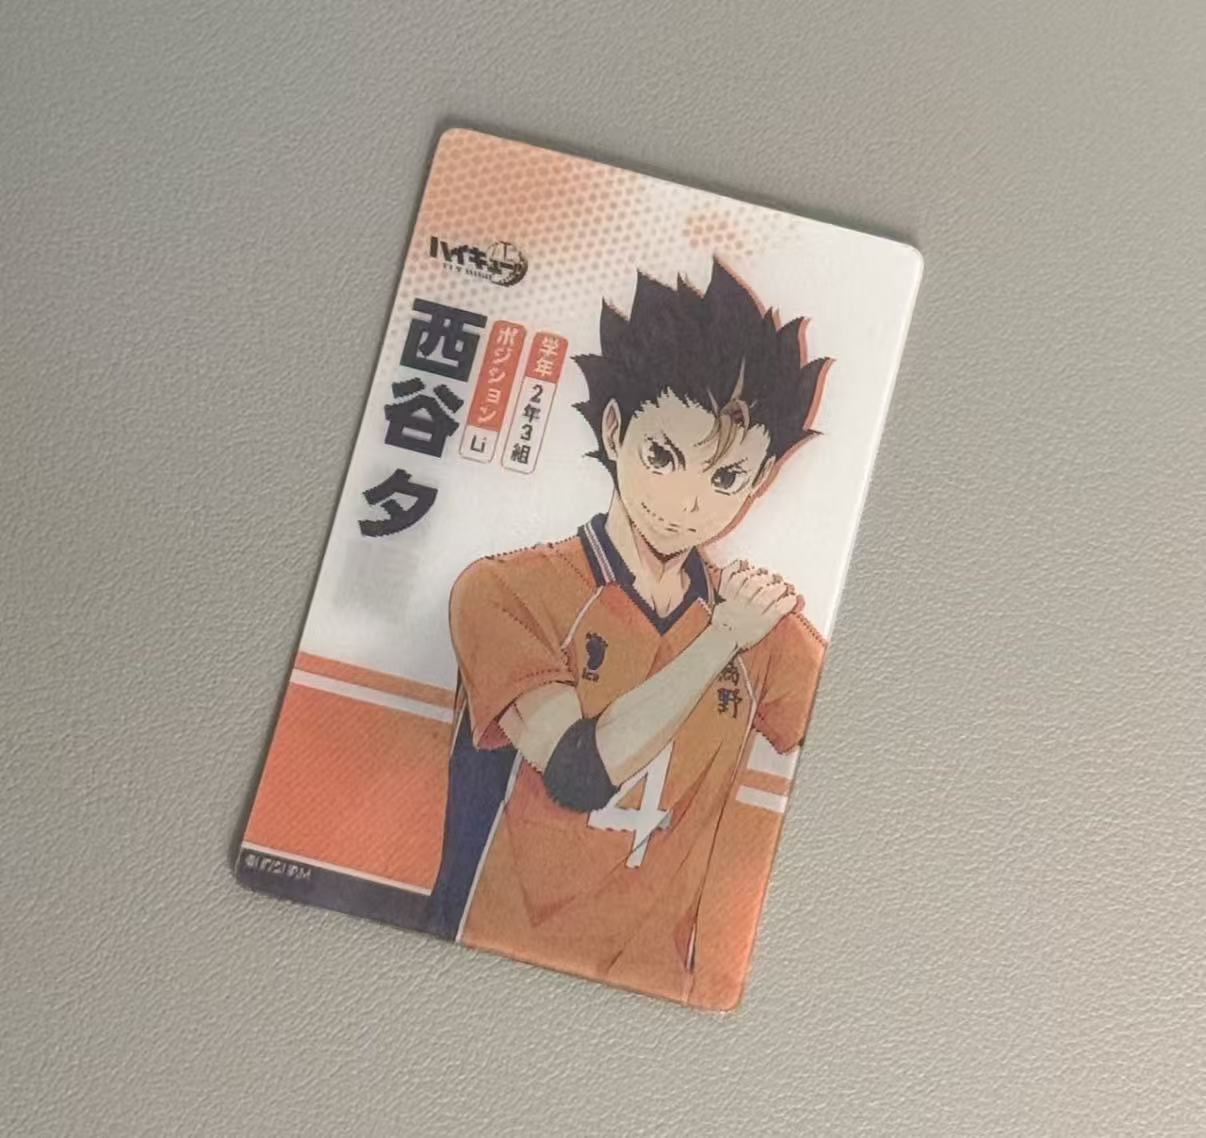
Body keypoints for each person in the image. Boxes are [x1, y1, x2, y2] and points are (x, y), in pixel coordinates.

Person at [426, 258, 833, 1008]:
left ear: (760, 480)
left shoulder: (765, 632)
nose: (687, 504)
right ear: (615, 431)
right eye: (663, 457)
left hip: (653, 996)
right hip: (485, 962)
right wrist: (721, 640)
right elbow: (579, 774)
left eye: (724, 479)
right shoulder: (505, 591)